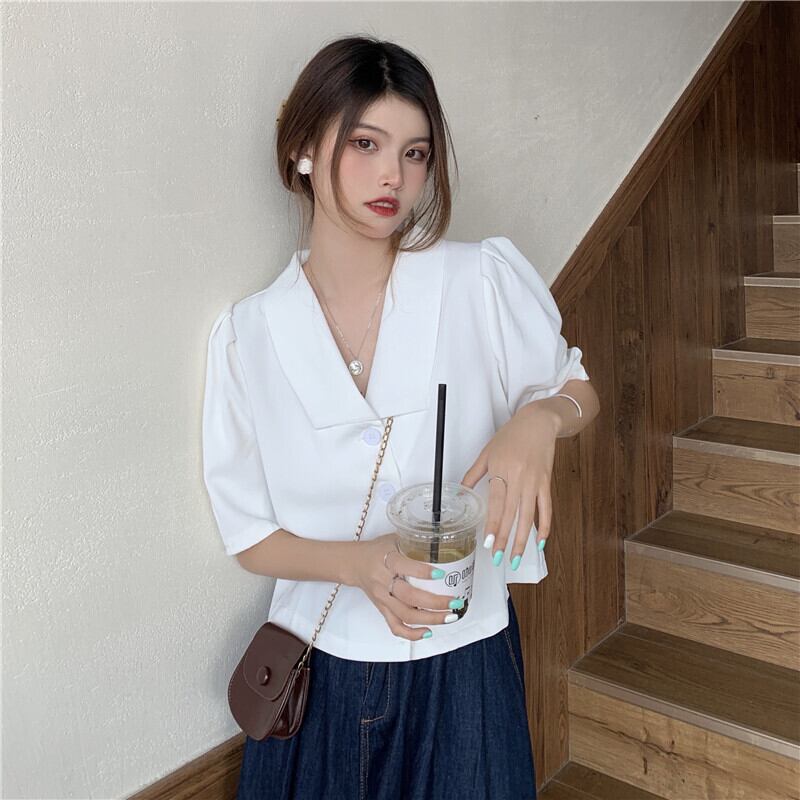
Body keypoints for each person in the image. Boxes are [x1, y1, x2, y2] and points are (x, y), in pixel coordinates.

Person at [201, 34, 600, 800]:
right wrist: (359, 565)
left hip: (464, 665)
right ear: (302, 149)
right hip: (317, 673)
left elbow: (576, 388)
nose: (393, 175)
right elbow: (248, 535)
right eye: (366, 143)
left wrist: (541, 420)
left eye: (415, 153)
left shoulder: (475, 281)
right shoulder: (248, 336)